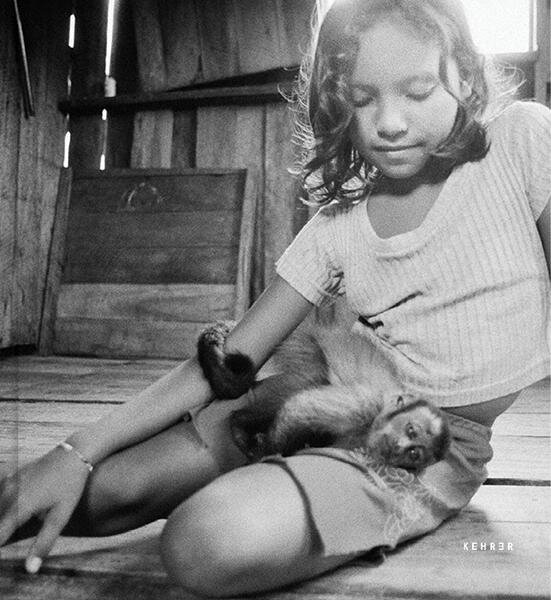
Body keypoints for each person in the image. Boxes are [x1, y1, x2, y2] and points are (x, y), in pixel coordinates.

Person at [1, 0, 549, 596]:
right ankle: (274, 469)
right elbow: (231, 359)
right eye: (362, 99)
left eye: (418, 91)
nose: (389, 122)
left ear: (464, 77)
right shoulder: (339, 221)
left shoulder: (519, 142)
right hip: (308, 397)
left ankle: (291, 486)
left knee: (205, 540)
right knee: (96, 491)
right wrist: (75, 449)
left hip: (422, 441)